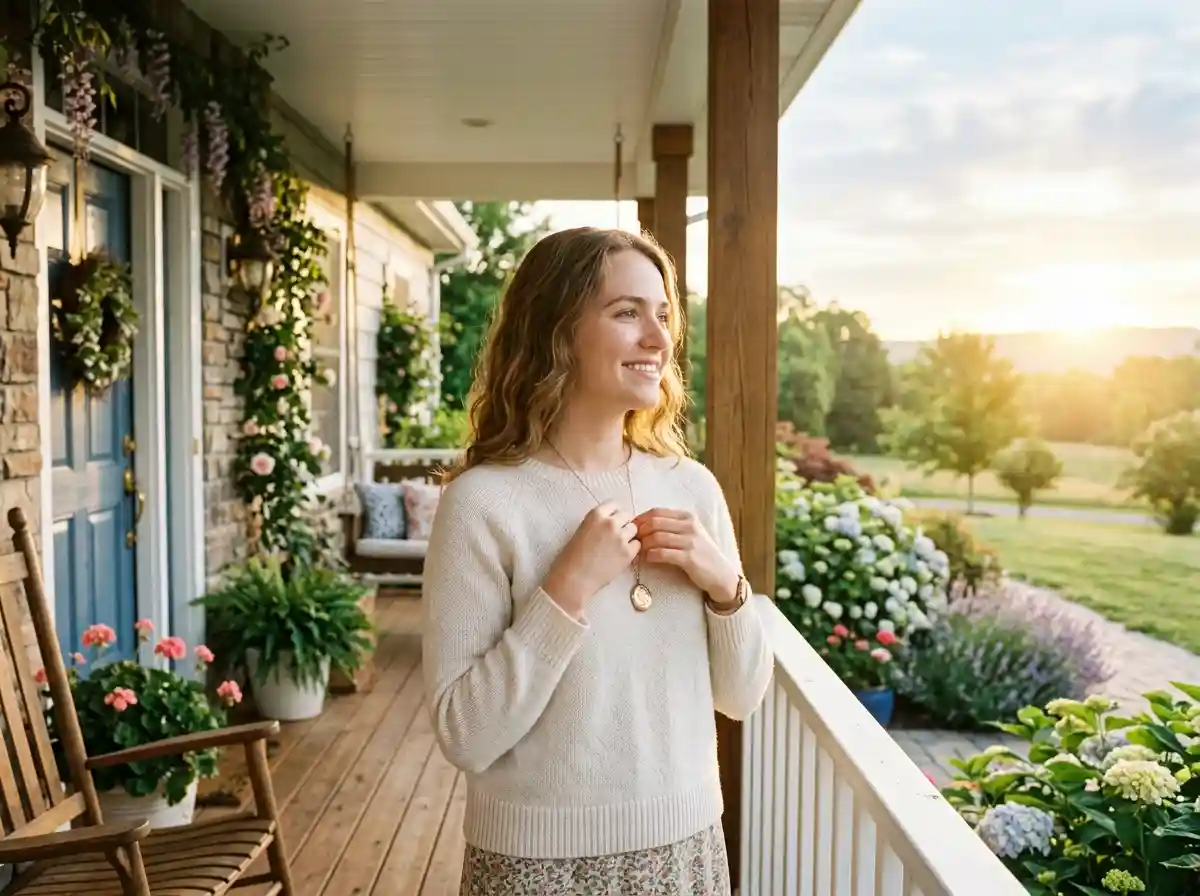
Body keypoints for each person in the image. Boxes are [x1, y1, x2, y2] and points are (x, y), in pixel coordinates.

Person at [421, 226, 773, 895]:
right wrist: (565, 590)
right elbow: (463, 735)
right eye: (626, 313)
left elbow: (742, 695)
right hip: (536, 866)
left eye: (663, 315)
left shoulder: (691, 487)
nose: (659, 339)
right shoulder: (483, 504)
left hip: (685, 848)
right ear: (556, 331)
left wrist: (727, 587)